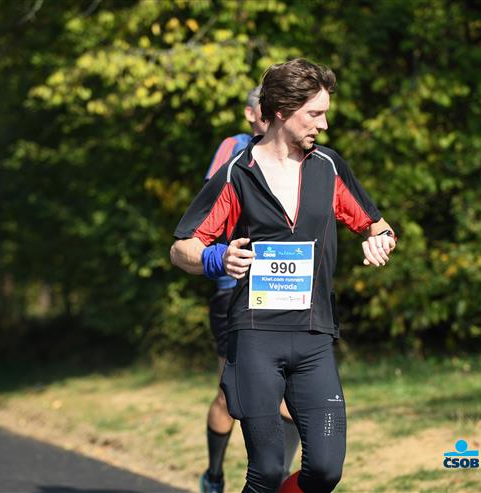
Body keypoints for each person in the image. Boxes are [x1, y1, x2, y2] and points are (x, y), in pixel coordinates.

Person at [171, 59, 396, 493]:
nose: (324, 125)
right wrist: (218, 258)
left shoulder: (328, 167)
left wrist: (380, 241)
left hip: (314, 336)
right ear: (281, 110)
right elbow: (182, 248)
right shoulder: (237, 172)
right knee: (268, 471)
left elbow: (379, 226)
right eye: (315, 114)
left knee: (326, 471)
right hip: (255, 337)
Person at [200, 86, 301, 493]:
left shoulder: (298, 153)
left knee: (291, 397)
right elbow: (212, 201)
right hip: (235, 289)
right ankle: (214, 475)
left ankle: (274, 481)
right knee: (231, 396)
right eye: (266, 110)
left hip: (285, 288)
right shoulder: (235, 147)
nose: (274, 117)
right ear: (250, 114)